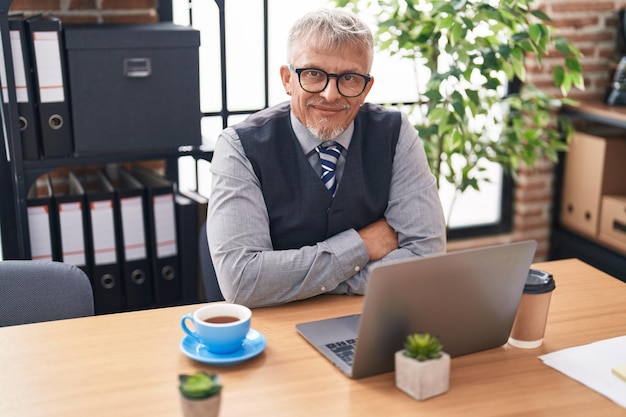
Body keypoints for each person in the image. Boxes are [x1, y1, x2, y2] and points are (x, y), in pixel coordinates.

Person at [206, 8, 446, 308]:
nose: (331, 94)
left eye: (349, 78)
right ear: (287, 79)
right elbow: (242, 280)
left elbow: (426, 260)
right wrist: (364, 246)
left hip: (370, 317)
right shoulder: (239, 146)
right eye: (314, 74)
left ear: (366, 88)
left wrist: (309, 283)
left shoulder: (396, 133)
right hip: (272, 330)